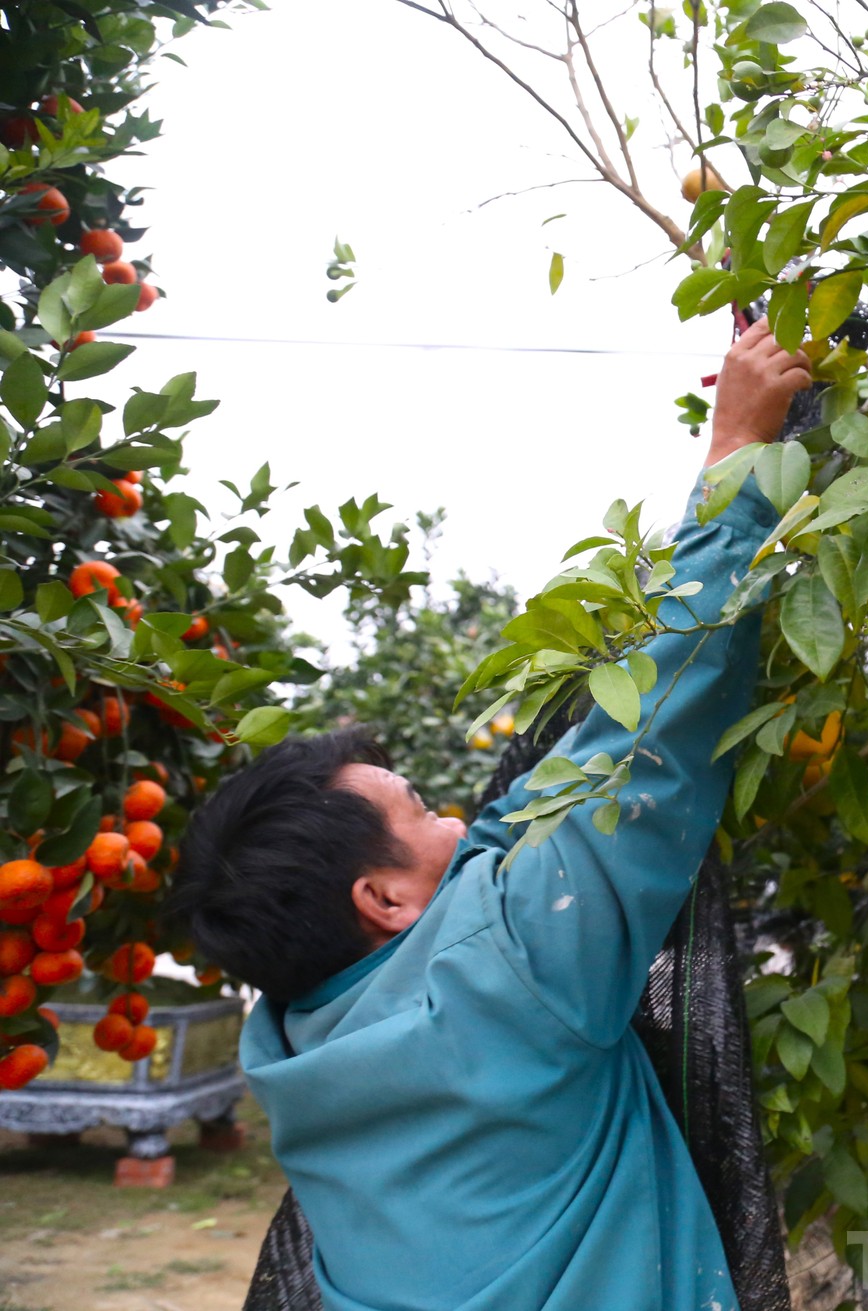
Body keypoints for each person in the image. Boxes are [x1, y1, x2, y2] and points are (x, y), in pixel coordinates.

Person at [169, 319, 810, 1311]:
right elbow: (653, 745)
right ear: (381, 898)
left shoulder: (298, 1057)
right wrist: (731, 462)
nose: (457, 821)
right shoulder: (509, 970)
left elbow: (513, 826)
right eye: (419, 811)